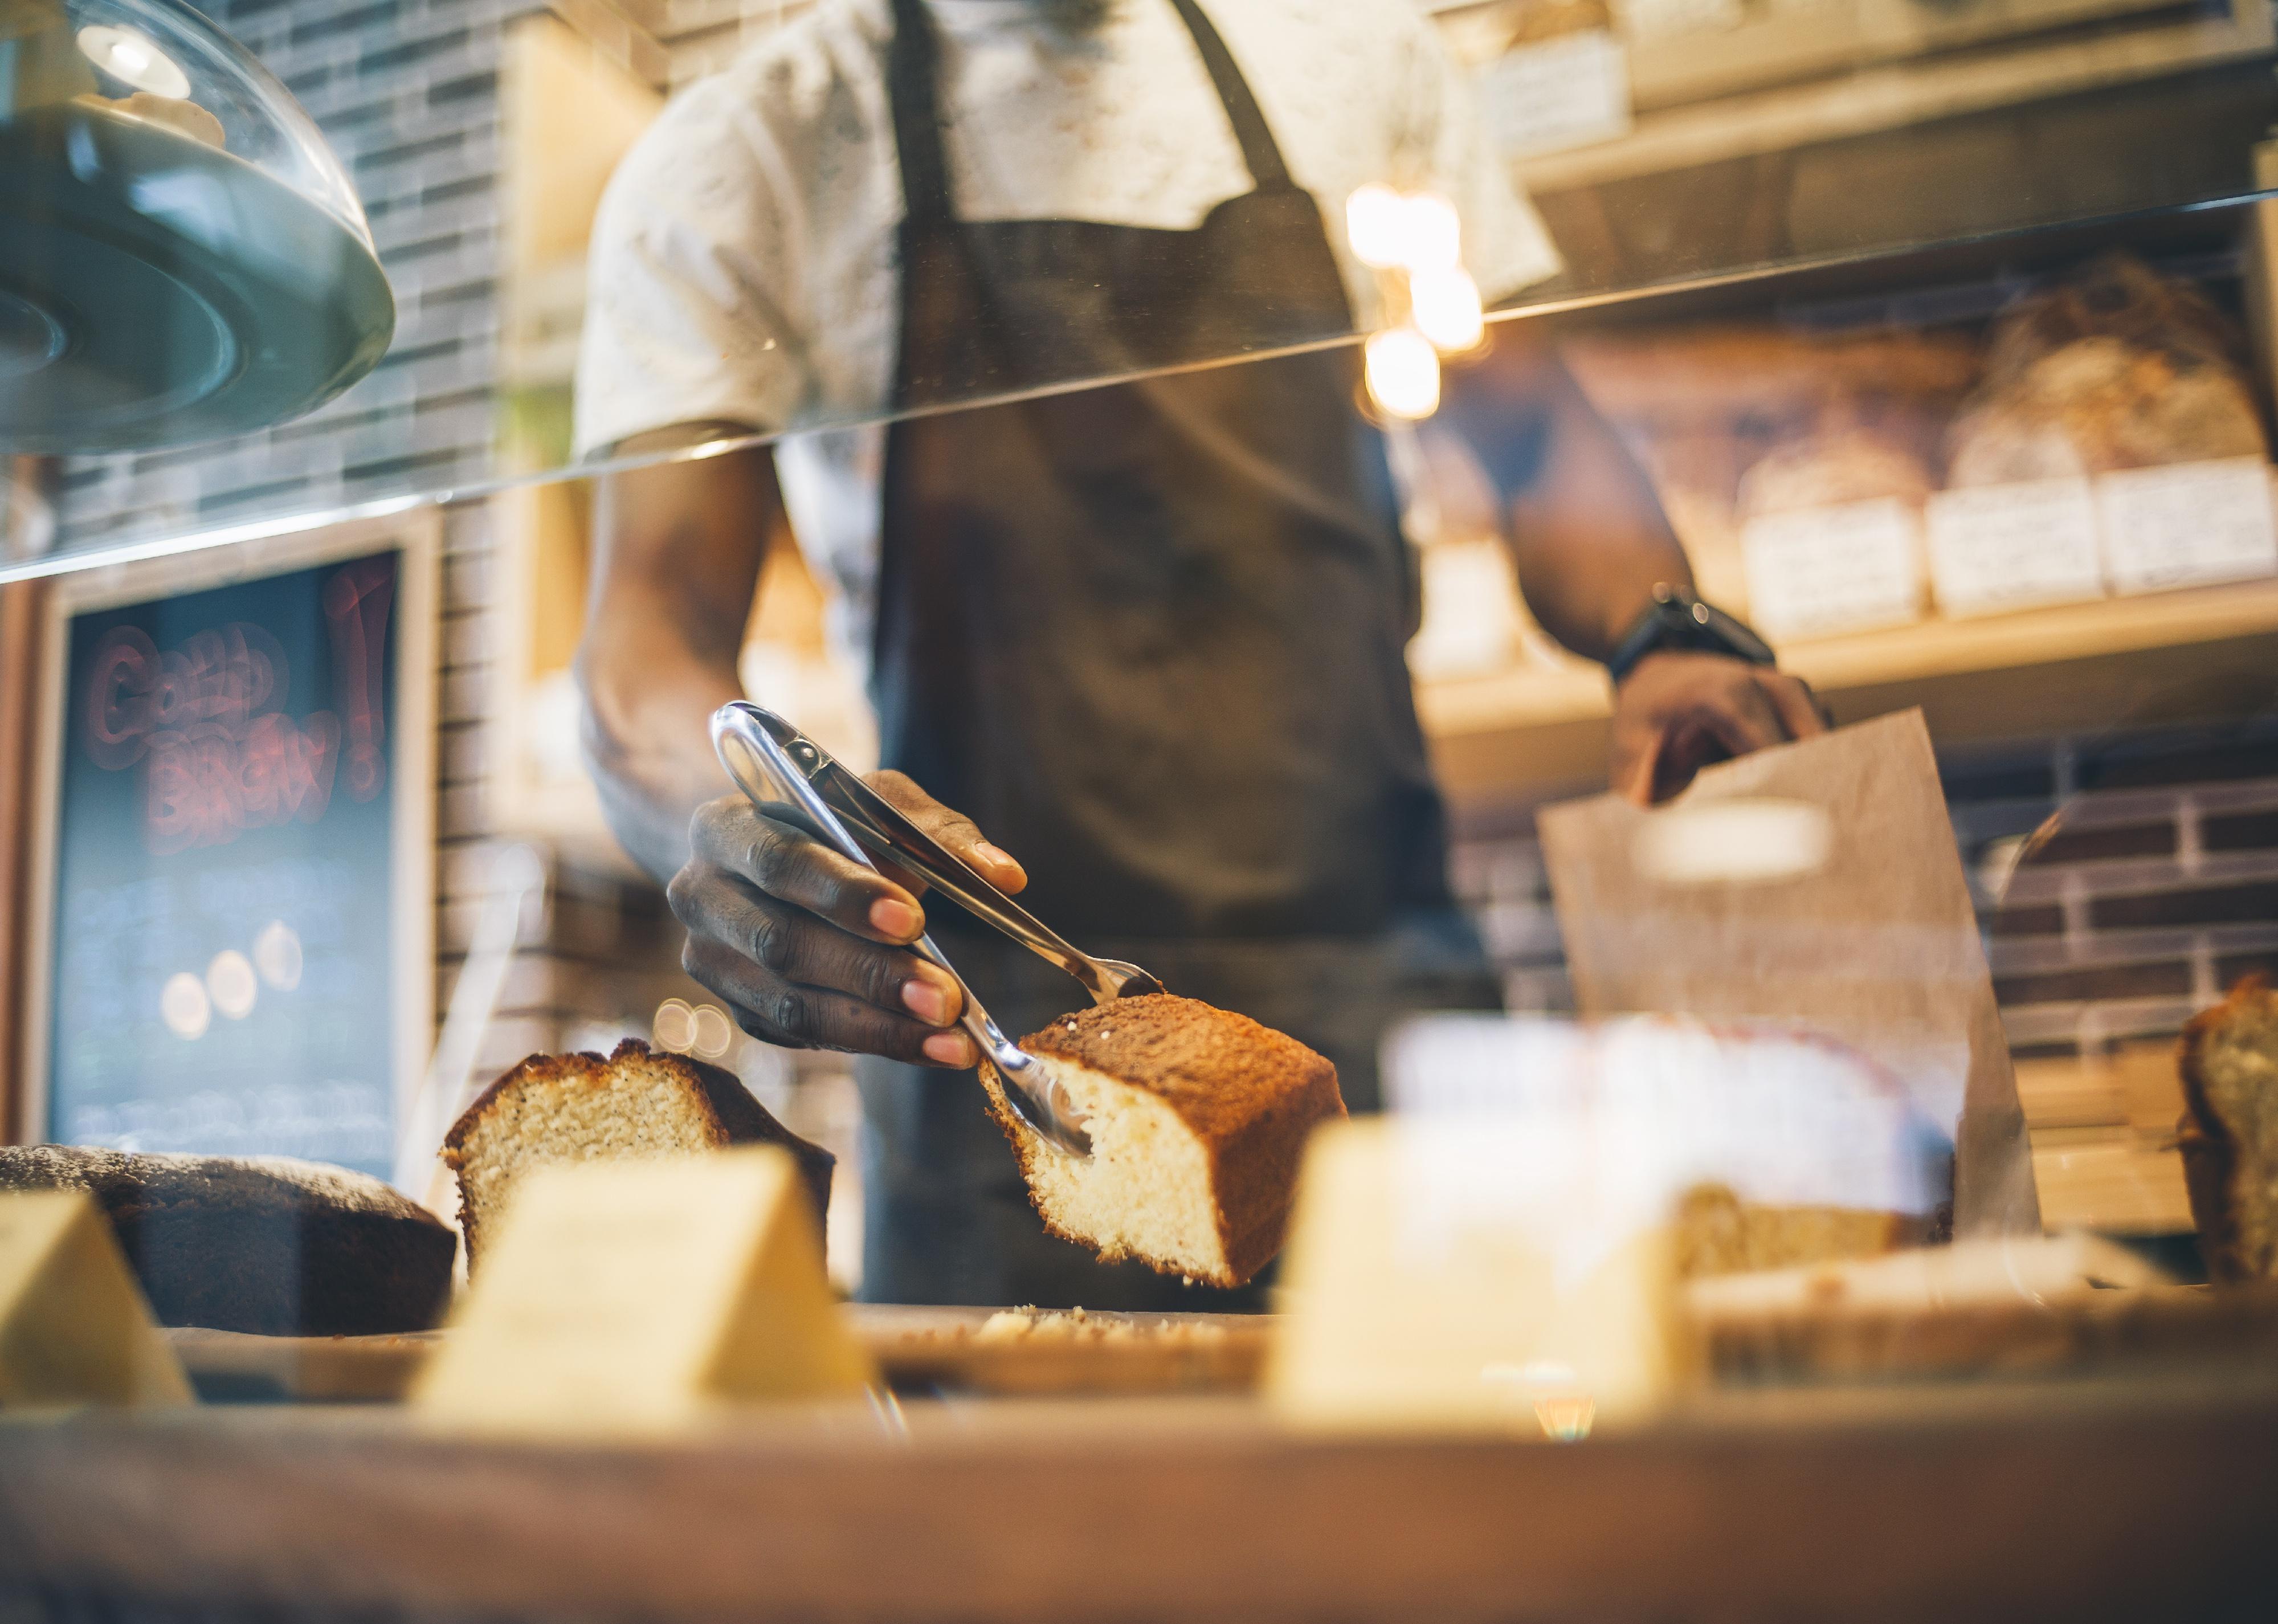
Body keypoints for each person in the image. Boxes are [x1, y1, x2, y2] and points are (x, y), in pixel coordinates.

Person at [573, 0, 1824, 1307]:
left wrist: (1660, 633)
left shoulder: (1359, 60)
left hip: (1381, 1024)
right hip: (1010, 1087)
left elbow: (1535, 440)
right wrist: (730, 819)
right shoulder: (750, 149)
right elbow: (643, 648)